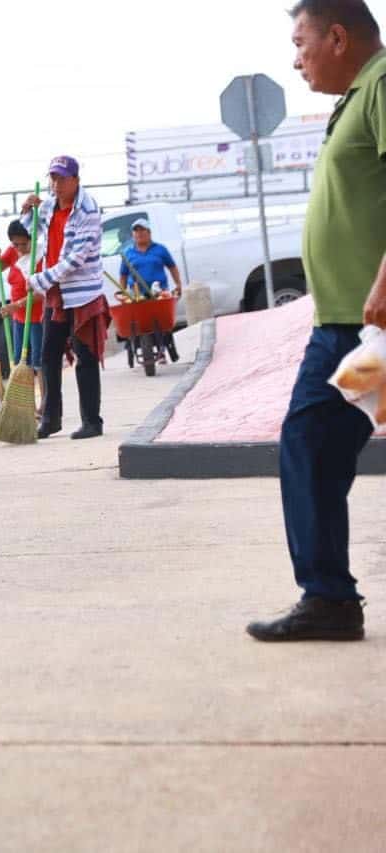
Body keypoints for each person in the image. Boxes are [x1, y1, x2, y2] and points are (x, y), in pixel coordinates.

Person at [247, 0, 386, 642]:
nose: (296, 58)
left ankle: (329, 598)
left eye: (302, 43)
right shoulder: (358, 96)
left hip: (364, 327)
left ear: (337, 36)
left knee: (308, 443)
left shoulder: (382, 83)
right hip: (347, 324)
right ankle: (329, 597)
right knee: (319, 451)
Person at [21, 155, 109, 440]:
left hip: (82, 292)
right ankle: (50, 418)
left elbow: (75, 259)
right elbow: (34, 235)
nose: (56, 184)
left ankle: (92, 422)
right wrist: (26, 211)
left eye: (61, 179)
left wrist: (40, 280)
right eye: (53, 178)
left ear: (76, 180)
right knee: (48, 355)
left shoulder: (88, 210)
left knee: (85, 357)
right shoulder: (48, 205)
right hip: (57, 293)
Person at [0, 220, 45, 411]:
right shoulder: (12, 251)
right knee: (22, 364)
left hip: (37, 318)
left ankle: (45, 405)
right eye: (16, 244)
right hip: (19, 319)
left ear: (32, 239)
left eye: (24, 244)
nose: (20, 249)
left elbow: (42, 292)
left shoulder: (40, 256)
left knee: (39, 363)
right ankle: (26, 405)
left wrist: (16, 305)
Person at [119, 217, 183, 364]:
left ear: (149, 232)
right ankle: (138, 347)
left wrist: (178, 284)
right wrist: (123, 292)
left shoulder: (160, 249)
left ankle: (162, 351)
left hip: (159, 292)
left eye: (142, 230)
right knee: (139, 321)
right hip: (137, 295)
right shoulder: (128, 253)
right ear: (133, 235)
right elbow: (123, 275)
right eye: (136, 231)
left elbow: (172, 267)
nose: (139, 233)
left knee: (160, 320)